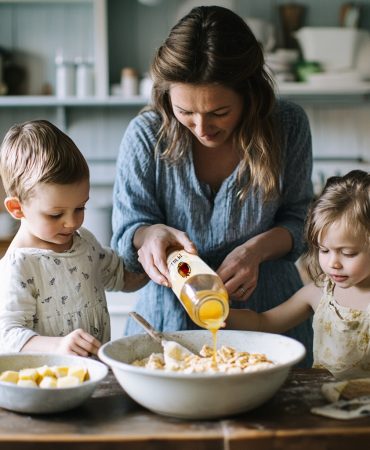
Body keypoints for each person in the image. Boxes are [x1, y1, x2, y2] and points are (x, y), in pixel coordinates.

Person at [111, 6, 314, 364]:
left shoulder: (288, 126)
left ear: (251, 96)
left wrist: (256, 251)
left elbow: (300, 221)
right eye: (185, 111)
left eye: (219, 112)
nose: (202, 128)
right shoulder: (145, 136)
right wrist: (148, 236)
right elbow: (128, 237)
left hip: (272, 323)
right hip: (170, 328)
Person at [0, 120, 147, 356]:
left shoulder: (84, 243)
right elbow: (7, 335)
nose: (72, 222)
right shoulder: (20, 266)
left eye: (80, 208)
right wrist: (58, 346)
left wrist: (158, 263)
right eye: (56, 214)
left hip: (95, 377)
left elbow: (122, 276)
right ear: (17, 208)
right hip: (46, 385)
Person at [227, 170, 370, 379]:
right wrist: (222, 315)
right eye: (324, 250)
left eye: (348, 253)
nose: (333, 263)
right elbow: (263, 322)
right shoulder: (319, 293)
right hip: (324, 404)